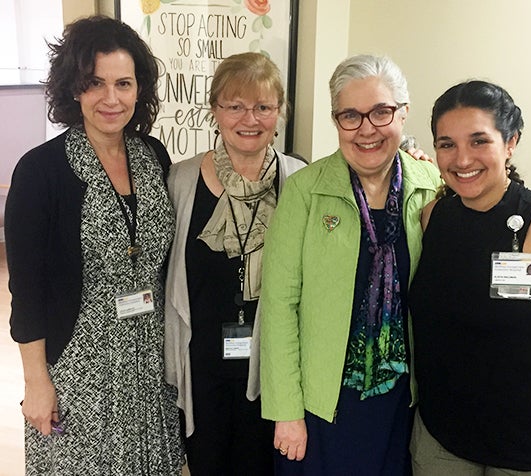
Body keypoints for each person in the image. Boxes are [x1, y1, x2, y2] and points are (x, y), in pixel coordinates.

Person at [6, 16, 183, 474]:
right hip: (79, 368)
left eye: (123, 83)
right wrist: (37, 381)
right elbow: (27, 294)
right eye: (95, 83)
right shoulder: (40, 171)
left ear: (139, 89)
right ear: (73, 88)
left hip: (149, 362)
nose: (111, 98)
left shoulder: (154, 157)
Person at [259, 54, 441, 475]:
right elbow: (280, 305)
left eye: (381, 112)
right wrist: (287, 410)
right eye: (350, 116)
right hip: (322, 402)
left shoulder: (432, 186)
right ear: (336, 120)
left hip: (400, 399)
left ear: (404, 112)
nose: (367, 129)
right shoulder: (307, 189)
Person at [409, 80, 531, 475]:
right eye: (447, 144)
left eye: (479, 141)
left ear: (510, 142)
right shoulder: (433, 218)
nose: (462, 159)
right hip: (444, 445)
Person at [163, 52, 306, 475]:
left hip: (272, 366)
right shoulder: (179, 180)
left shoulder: (299, 181)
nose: (250, 118)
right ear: (215, 111)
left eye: (263, 106)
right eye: (235, 105)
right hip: (200, 363)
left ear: (278, 112)